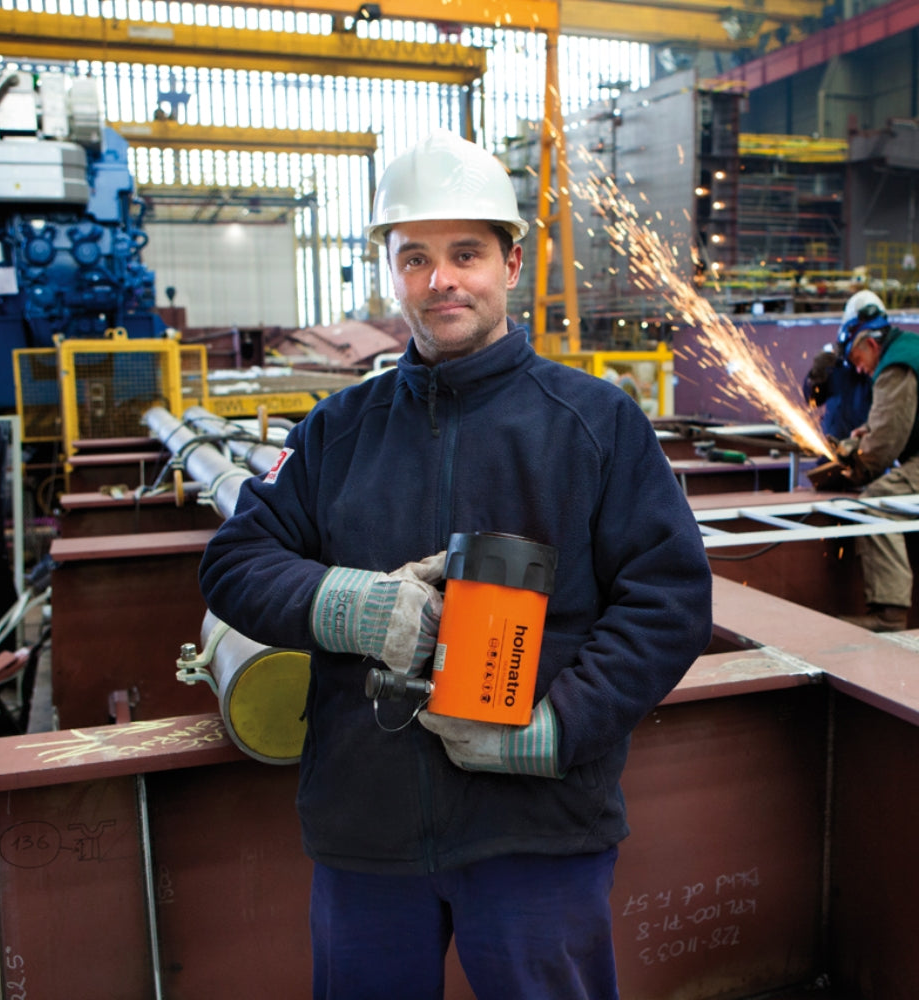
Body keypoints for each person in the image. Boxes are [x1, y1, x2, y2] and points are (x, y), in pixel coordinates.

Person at [198, 130, 713, 999]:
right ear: (392, 272)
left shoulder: (593, 424)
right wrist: (346, 603)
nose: (441, 280)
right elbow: (236, 560)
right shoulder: (338, 430)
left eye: (466, 253)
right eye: (416, 258)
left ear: (511, 263)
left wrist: (558, 730)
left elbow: (668, 603)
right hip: (368, 834)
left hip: (537, 833)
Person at [838, 301, 919, 632]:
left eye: (858, 360)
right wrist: (865, 435)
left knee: (876, 504)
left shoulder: (896, 366)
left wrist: (854, 469)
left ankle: (889, 615)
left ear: (870, 344)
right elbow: (893, 424)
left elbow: (883, 447)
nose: (859, 369)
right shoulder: (908, 348)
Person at [802, 290, 878, 440]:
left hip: (868, 454)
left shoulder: (885, 367)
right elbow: (812, 401)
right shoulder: (837, 362)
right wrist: (816, 376)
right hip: (834, 450)